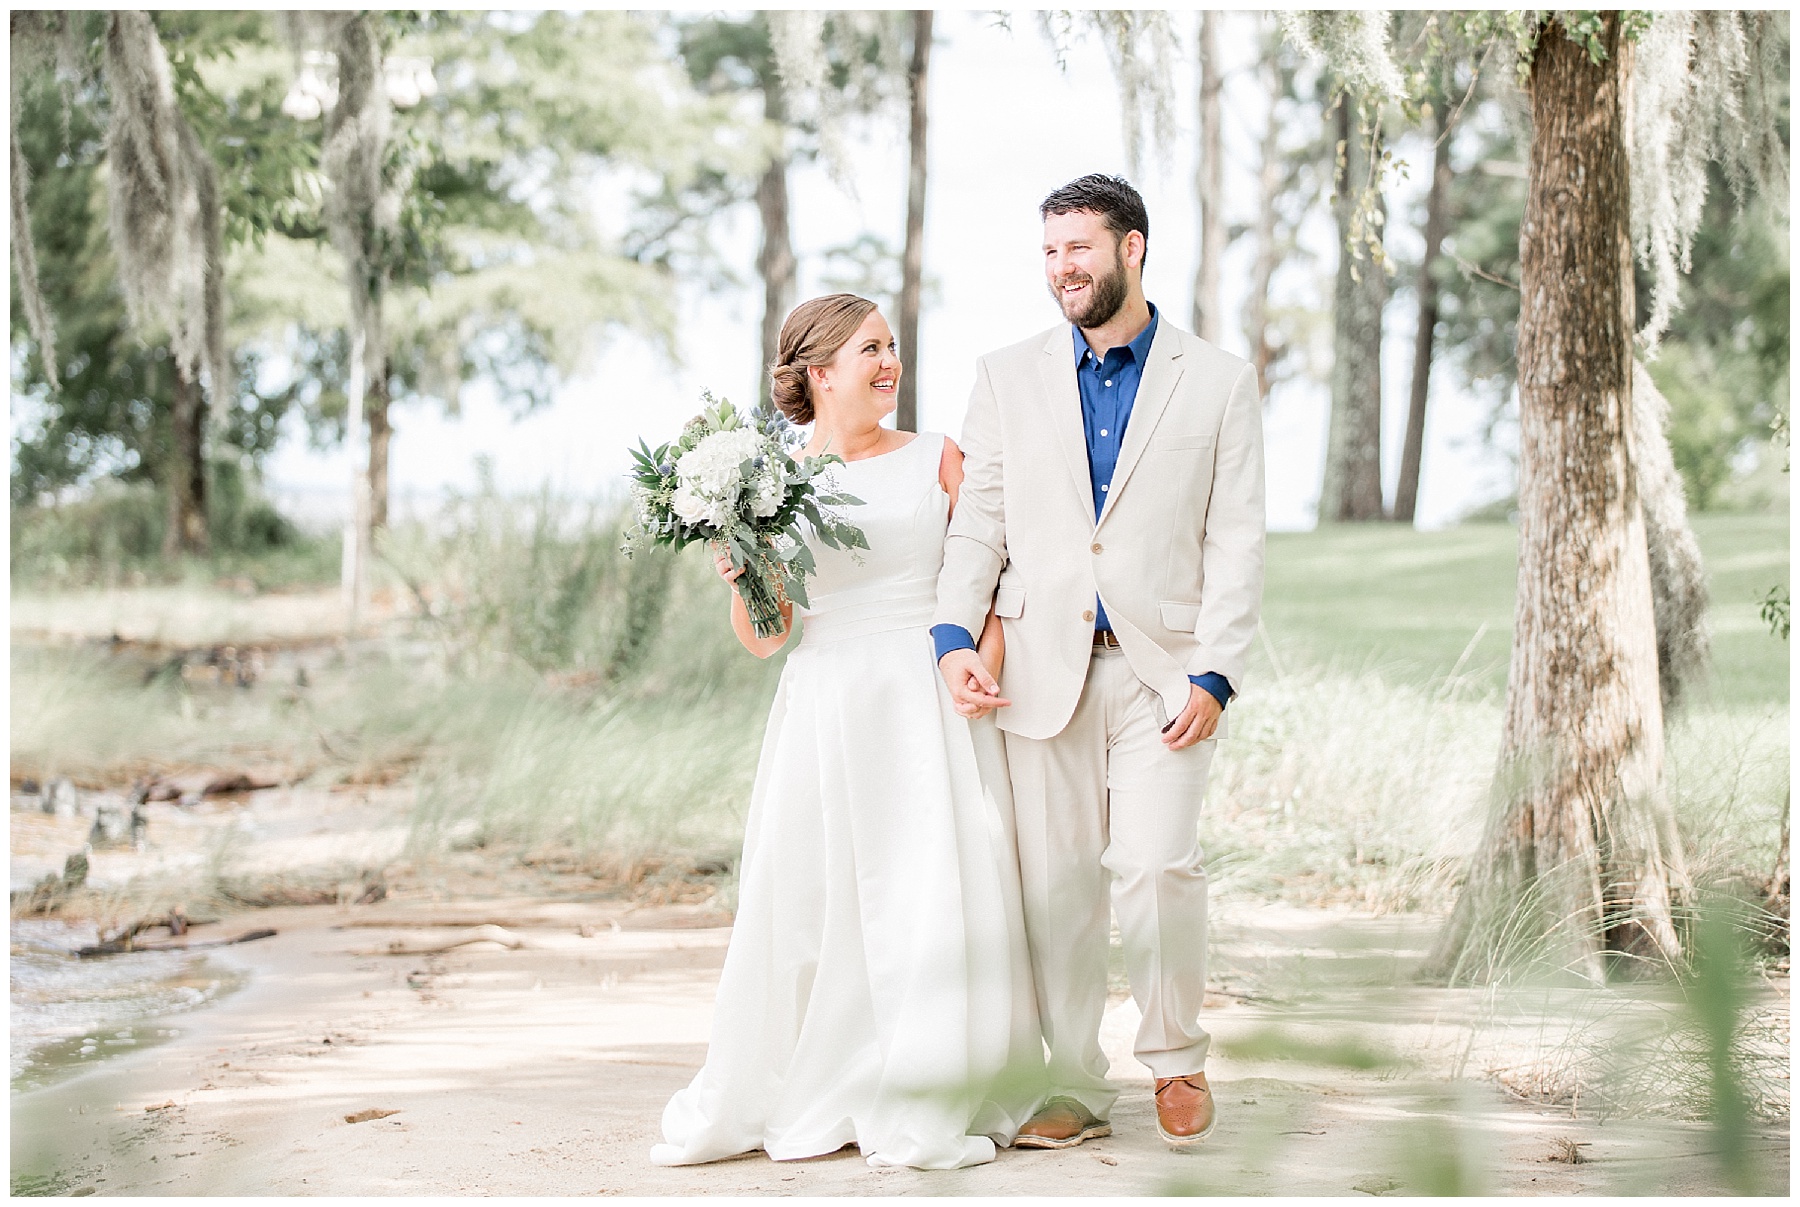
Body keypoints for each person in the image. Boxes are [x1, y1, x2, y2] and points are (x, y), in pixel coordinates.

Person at [650, 294, 1046, 1171]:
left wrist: (984, 656)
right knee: (815, 897)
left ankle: (928, 1080)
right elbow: (768, 635)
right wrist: (740, 571)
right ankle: (826, 1075)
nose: (891, 363)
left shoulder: (939, 457)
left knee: (926, 887)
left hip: (926, 693)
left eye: (894, 346)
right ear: (821, 372)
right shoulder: (772, 485)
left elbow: (997, 570)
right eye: (871, 349)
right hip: (826, 702)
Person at [932, 174, 1266, 1149]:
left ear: (1133, 249)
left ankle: (1175, 1056)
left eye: (1078, 248)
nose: (1062, 269)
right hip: (1039, 668)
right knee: (1058, 891)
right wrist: (953, 637)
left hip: (1166, 670)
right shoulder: (1005, 374)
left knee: (1158, 864)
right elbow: (980, 524)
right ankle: (1073, 1081)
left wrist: (1216, 670)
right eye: (1049, 251)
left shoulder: (1217, 380)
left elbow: (1237, 541)